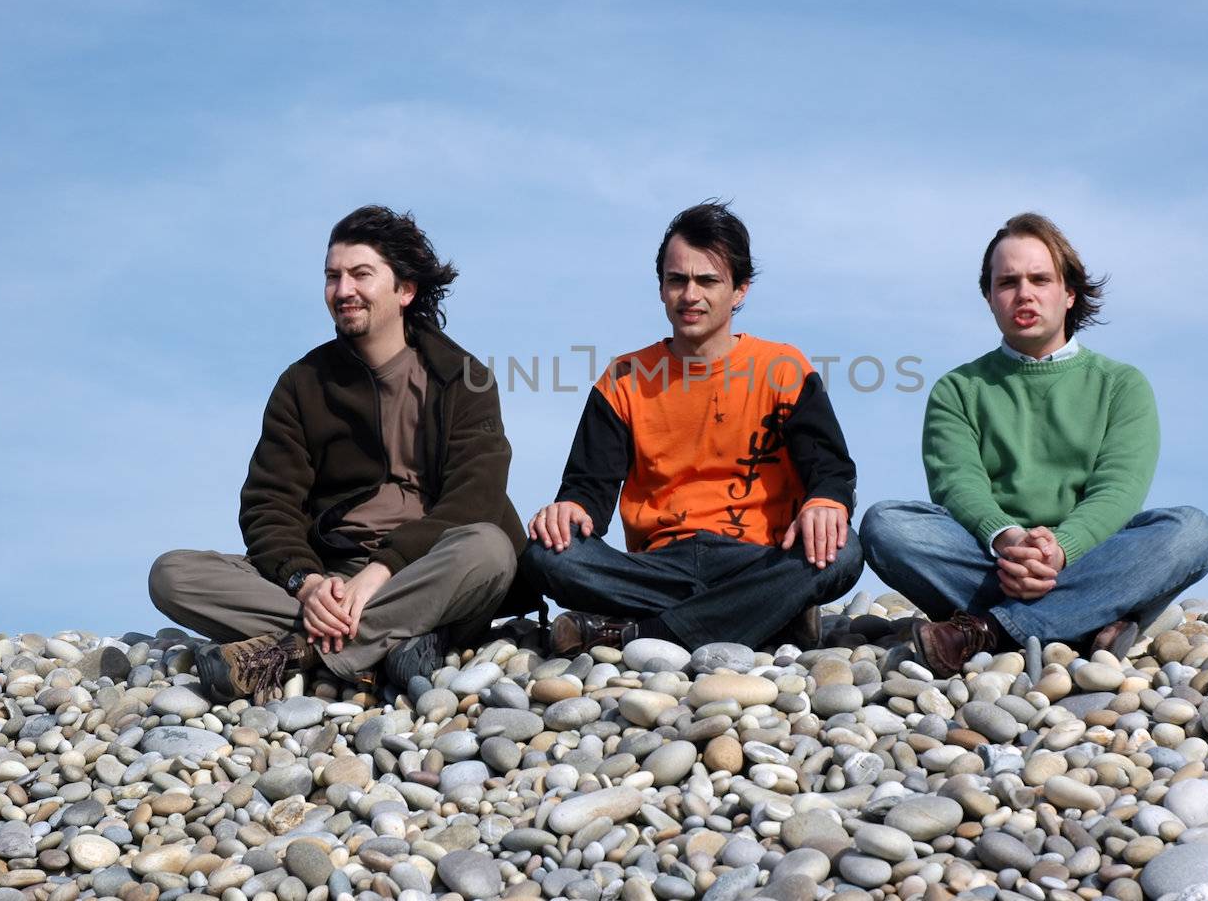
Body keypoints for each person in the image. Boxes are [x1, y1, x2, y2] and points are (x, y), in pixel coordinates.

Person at [149, 205, 522, 703]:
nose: (343, 290)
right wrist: (307, 585)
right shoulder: (303, 384)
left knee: (490, 549)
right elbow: (268, 504)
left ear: (405, 290)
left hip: (426, 567)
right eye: (333, 276)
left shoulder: (463, 378)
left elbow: (475, 498)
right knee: (172, 574)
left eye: (361, 274)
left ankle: (296, 650)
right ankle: (383, 642)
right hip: (332, 572)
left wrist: (379, 573)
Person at [861, 212, 1208, 678]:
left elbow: (1119, 489)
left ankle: (981, 631)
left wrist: (1060, 549)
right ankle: (1087, 621)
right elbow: (957, 484)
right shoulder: (959, 388)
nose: (1023, 293)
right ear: (989, 297)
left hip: (1089, 553)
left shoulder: (1121, 385)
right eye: (1007, 282)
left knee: (1191, 532)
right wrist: (1009, 539)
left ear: (1069, 293)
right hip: (990, 558)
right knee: (887, 525)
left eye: (1039, 279)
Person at [521, 201, 862, 654]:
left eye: (708, 281)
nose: (690, 295)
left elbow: (832, 472)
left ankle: (641, 635)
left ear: (739, 290)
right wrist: (568, 509)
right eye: (676, 279)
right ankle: (766, 615)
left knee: (843, 550)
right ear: (661, 287)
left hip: (758, 557)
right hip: (657, 563)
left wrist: (826, 501)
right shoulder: (623, 378)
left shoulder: (782, 367)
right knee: (547, 554)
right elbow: (588, 491)